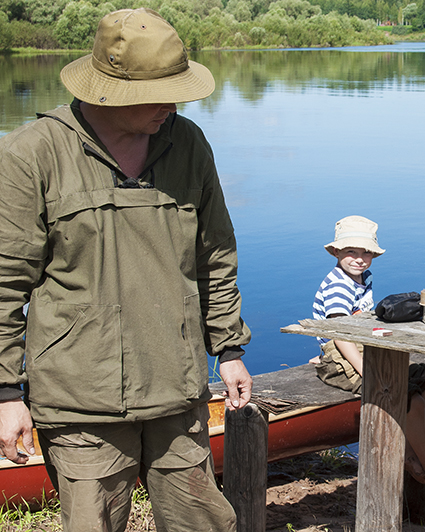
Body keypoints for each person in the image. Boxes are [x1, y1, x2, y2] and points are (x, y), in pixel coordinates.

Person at [0, 8, 252, 532]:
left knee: (205, 524)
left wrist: (227, 349)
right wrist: (5, 392)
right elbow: (3, 286)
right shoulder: (32, 155)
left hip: (176, 389)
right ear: (112, 92)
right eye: (162, 91)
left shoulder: (188, 145)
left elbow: (216, 255)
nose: (175, 103)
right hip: (79, 400)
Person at [310, 215, 425, 492]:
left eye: (366, 252)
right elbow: (341, 333)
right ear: (336, 252)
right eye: (351, 251)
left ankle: (409, 446)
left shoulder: (362, 278)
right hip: (347, 351)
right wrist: (365, 368)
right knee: (409, 398)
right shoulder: (339, 286)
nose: (359, 258)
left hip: (359, 346)